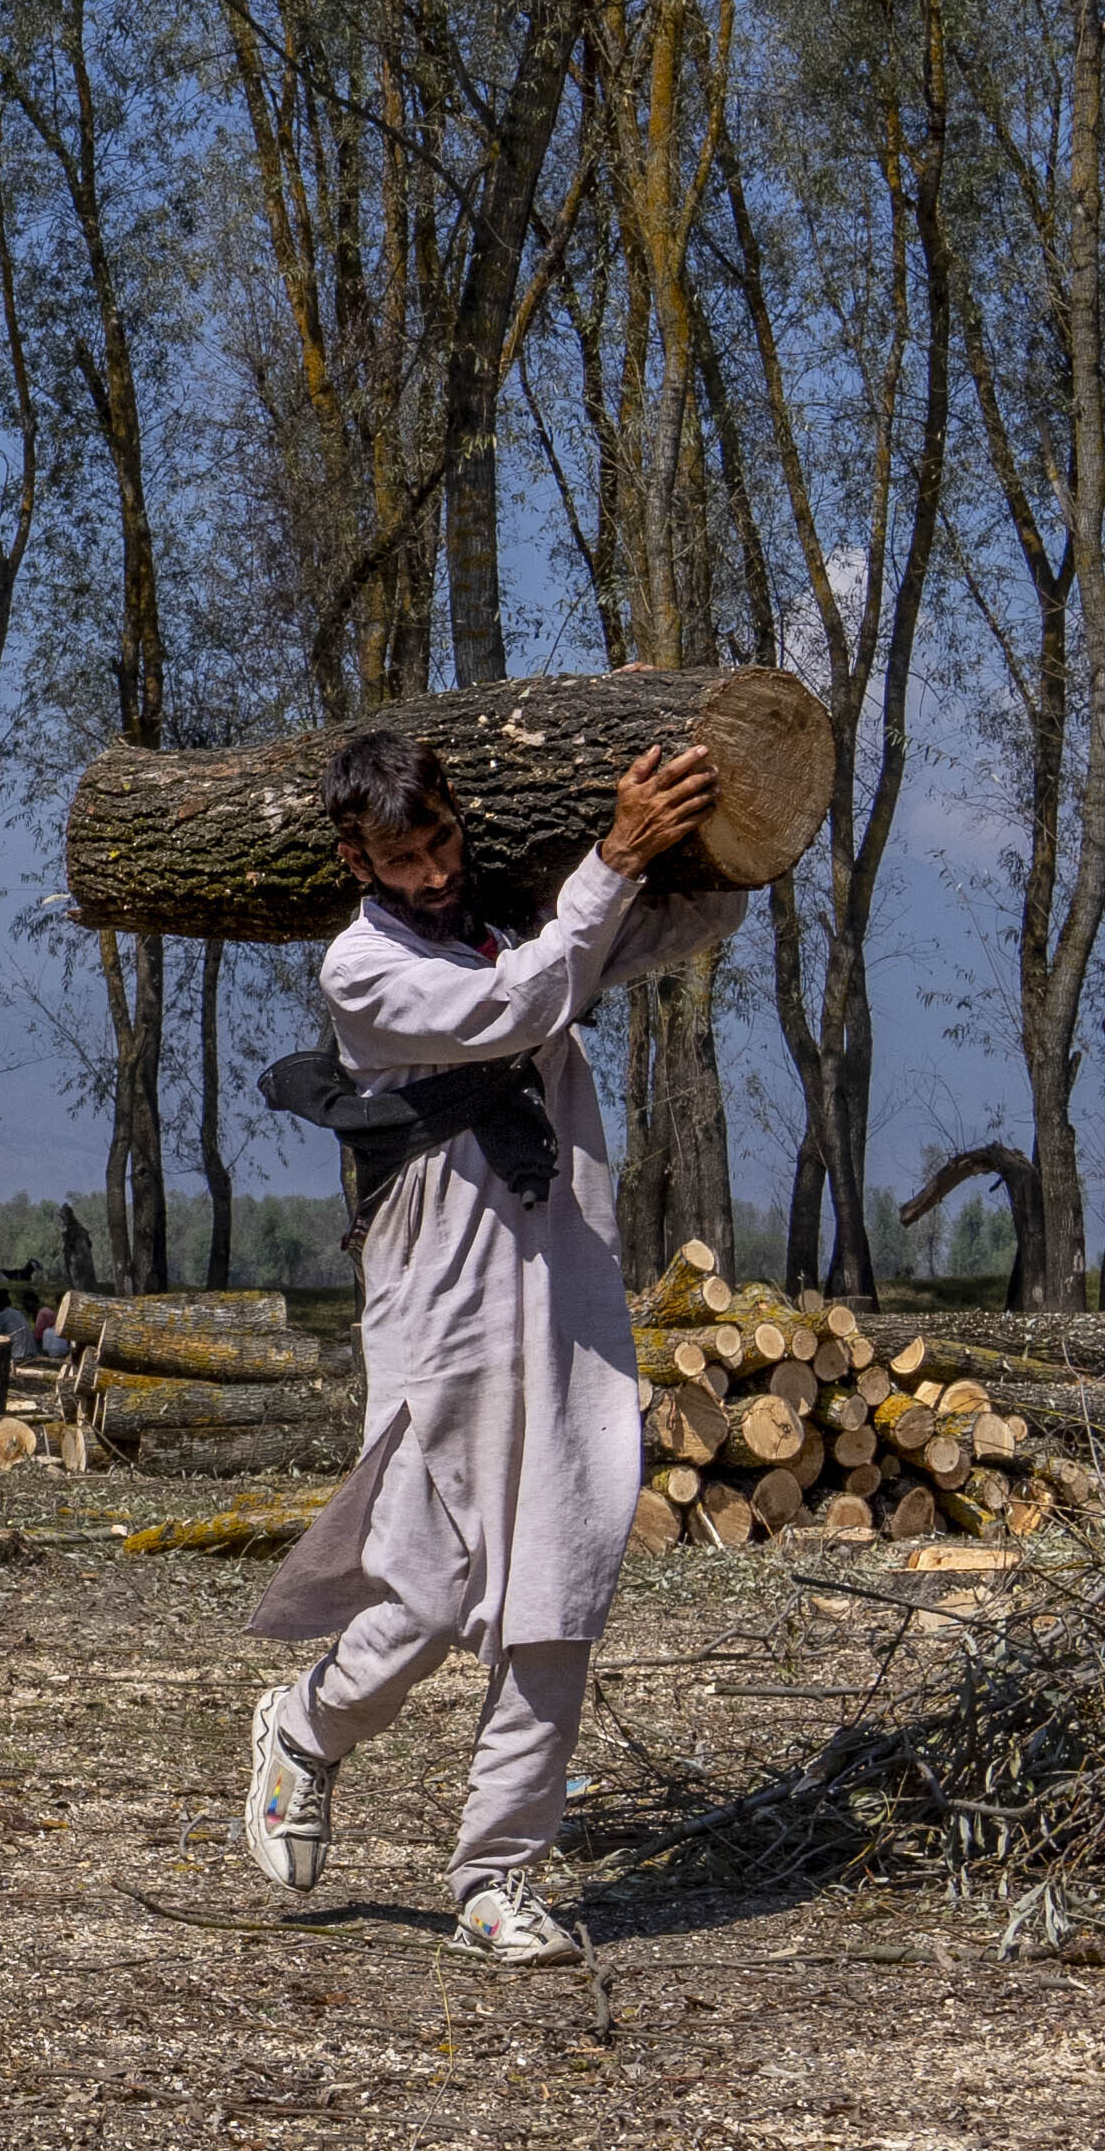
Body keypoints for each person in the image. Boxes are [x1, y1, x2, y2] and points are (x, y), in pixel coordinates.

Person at [238, 723, 742, 1969]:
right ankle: (305, 1726)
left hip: (558, 1272)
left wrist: (697, 795)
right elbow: (516, 1003)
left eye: (442, 843)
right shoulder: (362, 968)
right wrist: (611, 856)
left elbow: (678, 924)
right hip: (439, 1288)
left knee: (559, 1577)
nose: (427, 873)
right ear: (355, 854)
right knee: (426, 1584)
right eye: (400, 856)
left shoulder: (513, 922)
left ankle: (494, 1878)